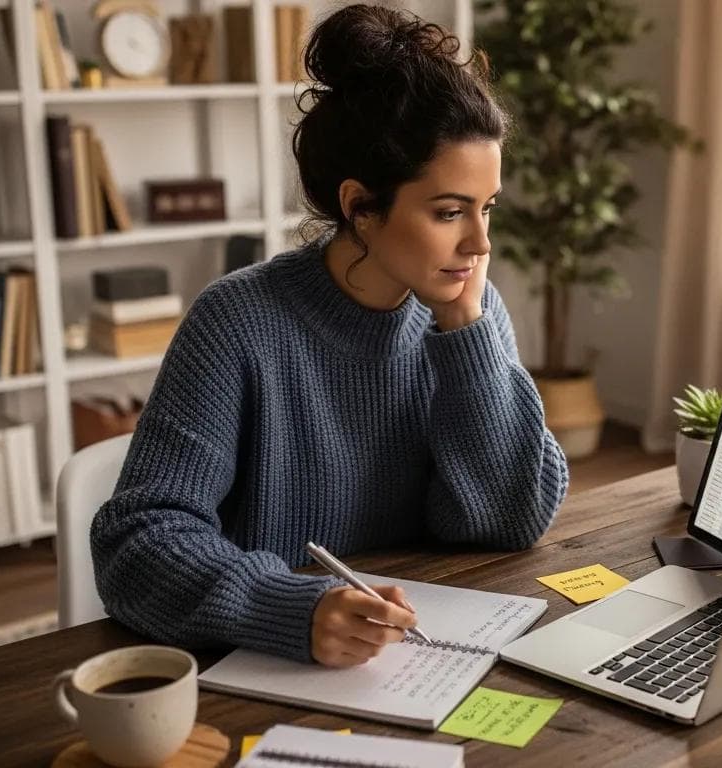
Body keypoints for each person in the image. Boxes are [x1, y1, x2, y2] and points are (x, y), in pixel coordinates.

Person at [90, 4, 569, 669]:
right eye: (449, 211)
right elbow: (136, 544)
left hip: (413, 662)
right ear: (360, 208)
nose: (480, 243)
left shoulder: (468, 313)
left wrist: (465, 333)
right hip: (265, 666)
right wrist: (291, 606)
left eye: (486, 209)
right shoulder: (237, 323)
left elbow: (508, 520)